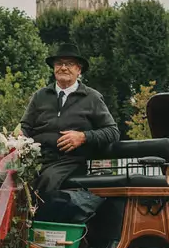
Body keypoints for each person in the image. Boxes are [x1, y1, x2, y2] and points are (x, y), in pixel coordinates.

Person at [20, 44, 119, 202]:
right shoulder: (40, 96)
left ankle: (36, 224)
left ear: (79, 70)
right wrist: (16, 140)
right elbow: (24, 128)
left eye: (69, 64)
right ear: (54, 68)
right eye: (59, 64)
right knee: (5, 181)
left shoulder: (91, 97)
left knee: (45, 180)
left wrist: (83, 137)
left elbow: (113, 132)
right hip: (37, 160)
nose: (63, 68)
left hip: (70, 162)